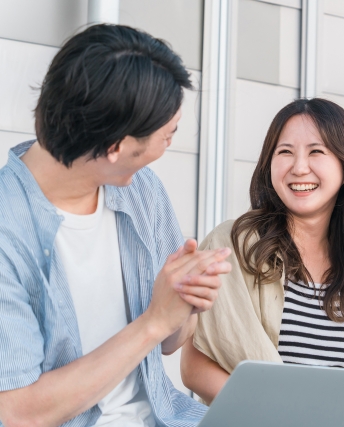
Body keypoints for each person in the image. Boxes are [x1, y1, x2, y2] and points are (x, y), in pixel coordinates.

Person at [0, 24, 231, 427]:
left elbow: (170, 346)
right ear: (116, 148)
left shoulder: (141, 190)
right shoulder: (8, 230)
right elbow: (19, 413)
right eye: (168, 134)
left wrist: (185, 305)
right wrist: (153, 321)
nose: (169, 145)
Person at [180, 99, 344, 417]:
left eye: (316, 152)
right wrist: (285, 415)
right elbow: (193, 369)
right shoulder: (234, 244)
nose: (299, 167)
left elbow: (338, 380)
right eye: (285, 152)